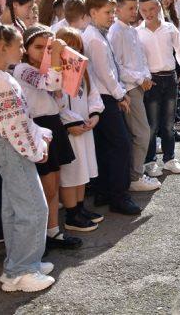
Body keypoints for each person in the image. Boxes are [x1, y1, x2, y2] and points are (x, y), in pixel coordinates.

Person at [0, 25, 56, 293]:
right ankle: (21, 270)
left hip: (9, 147)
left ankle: (21, 262)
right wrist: (38, 147)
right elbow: (14, 126)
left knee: (14, 207)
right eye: (18, 44)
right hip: (12, 148)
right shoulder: (1, 81)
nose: (22, 49)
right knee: (33, 207)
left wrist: (38, 135)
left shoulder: (2, 77)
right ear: (1, 46)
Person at [14, 26, 83, 249]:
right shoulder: (22, 69)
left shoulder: (48, 66)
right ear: (25, 48)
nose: (43, 51)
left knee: (54, 181)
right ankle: (38, 238)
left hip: (53, 124)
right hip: (36, 126)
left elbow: (59, 97)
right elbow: (49, 83)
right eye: (38, 47)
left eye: (48, 47)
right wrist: (55, 57)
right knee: (45, 188)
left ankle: (53, 231)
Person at [82, 0, 141, 216]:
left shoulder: (98, 33)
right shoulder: (95, 38)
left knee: (109, 147)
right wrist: (120, 95)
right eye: (107, 12)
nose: (111, 16)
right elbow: (105, 74)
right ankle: (118, 195)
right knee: (120, 146)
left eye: (113, 11)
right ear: (93, 12)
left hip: (106, 96)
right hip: (105, 97)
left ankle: (105, 191)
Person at [107, 0, 159, 190]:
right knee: (142, 133)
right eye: (130, 8)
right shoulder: (116, 32)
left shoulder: (131, 30)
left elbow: (141, 57)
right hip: (128, 89)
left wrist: (146, 76)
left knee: (139, 133)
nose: (135, 12)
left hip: (140, 85)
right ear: (117, 9)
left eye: (135, 7)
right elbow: (116, 66)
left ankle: (135, 173)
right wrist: (139, 78)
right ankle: (135, 176)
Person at [53, 27, 104, 232]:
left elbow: (93, 96)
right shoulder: (55, 75)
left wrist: (95, 114)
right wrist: (70, 122)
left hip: (84, 127)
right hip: (70, 131)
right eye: (68, 46)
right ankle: (71, 214)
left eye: (77, 46)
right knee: (71, 173)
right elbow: (56, 104)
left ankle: (81, 208)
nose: (74, 50)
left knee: (84, 170)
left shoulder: (83, 71)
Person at [136, 0, 180, 174]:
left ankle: (170, 159)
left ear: (159, 7)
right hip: (150, 81)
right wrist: (144, 77)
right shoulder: (137, 32)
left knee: (168, 123)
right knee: (151, 125)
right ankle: (150, 162)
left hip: (170, 78)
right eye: (143, 10)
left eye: (151, 9)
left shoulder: (169, 28)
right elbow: (138, 59)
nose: (148, 13)